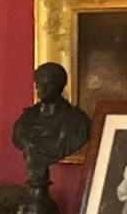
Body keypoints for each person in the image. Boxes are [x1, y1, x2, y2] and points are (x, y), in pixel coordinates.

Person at [13, 62, 92, 193]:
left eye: (47, 84)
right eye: (38, 84)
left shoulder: (77, 121)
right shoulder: (25, 120)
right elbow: (19, 138)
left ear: (60, 87)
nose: (41, 89)